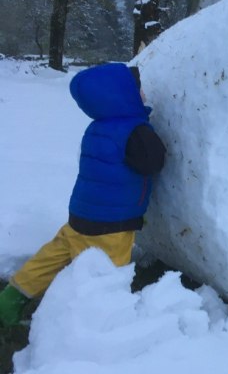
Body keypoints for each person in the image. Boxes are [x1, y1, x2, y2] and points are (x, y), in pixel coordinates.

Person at [0, 63, 166, 327]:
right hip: (111, 227)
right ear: (123, 95)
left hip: (81, 217)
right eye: (138, 89)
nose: (144, 93)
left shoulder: (96, 128)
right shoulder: (135, 132)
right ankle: (96, 327)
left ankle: (11, 298)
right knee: (107, 278)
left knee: (52, 256)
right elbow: (153, 162)